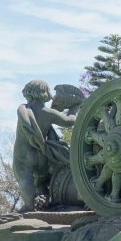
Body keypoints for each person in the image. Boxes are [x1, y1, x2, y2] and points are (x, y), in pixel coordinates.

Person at [13, 80, 76, 212]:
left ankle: (30, 205)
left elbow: (24, 117)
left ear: (28, 92)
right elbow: (69, 121)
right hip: (42, 154)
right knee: (40, 182)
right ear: (45, 93)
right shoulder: (49, 113)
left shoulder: (24, 109)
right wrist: (74, 107)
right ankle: (44, 202)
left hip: (24, 155)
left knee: (24, 178)